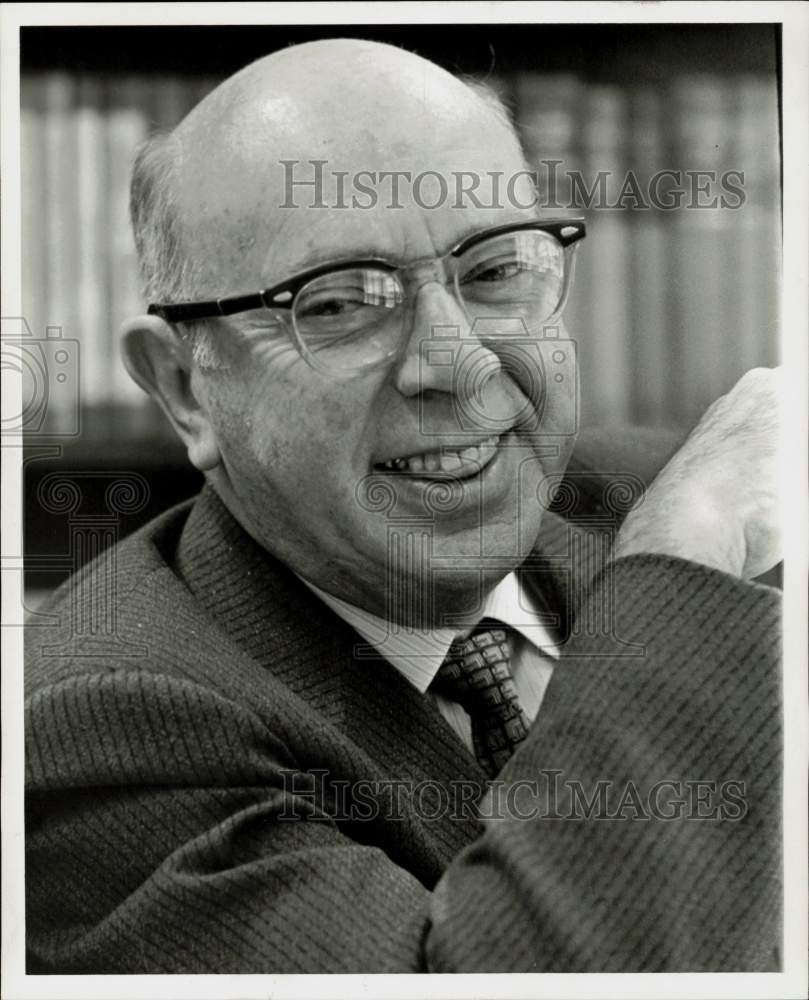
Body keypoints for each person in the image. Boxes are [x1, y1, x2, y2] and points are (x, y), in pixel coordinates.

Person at [24, 38, 782, 974]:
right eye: (340, 304)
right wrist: (682, 565)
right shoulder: (90, 732)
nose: (458, 363)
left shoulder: (680, 498)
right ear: (186, 387)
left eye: (496, 273)